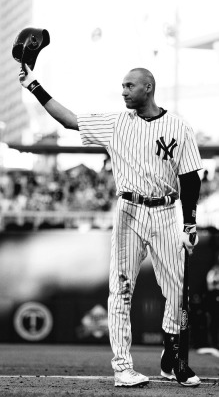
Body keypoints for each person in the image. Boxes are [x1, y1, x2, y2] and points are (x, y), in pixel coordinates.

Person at [19, 65, 202, 387]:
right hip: (129, 211)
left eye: (129, 85)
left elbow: (189, 177)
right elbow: (70, 120)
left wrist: (189, 223)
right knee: (121, 290)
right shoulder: (116, 123)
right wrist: (33, 85)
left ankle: (173, 356)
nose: (123, 91)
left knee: (176, 292)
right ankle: (122, 367)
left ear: (148, 88)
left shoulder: (179, 127)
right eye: (122, 86)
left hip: (166, 212)